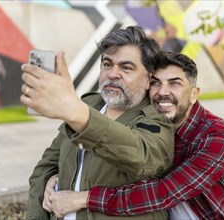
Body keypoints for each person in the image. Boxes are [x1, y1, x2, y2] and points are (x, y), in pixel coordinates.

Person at [44, 51, 224, 219]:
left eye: (175, 83)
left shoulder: (217, 137)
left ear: (193, 94)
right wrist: (60, 178)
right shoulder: (149, 127)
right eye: (156, 82)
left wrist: (85, 199)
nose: (163, 92)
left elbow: (162, 193)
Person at [20, 26, 175, 220]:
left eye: (126, 68)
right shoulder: (88, 104)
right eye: (107, 64)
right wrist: (44, 198)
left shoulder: (157, 121)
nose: (112, 74)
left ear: (148, 79)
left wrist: (75, 112)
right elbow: (45, 168)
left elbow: (140, 156)